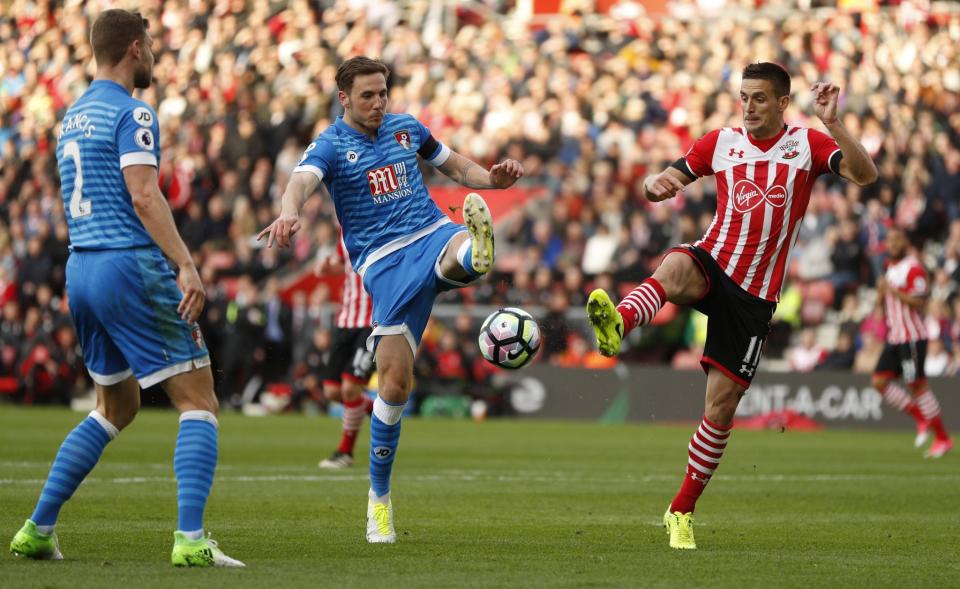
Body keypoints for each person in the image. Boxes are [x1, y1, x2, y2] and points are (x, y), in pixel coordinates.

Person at [586, 63, 878, 550]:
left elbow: (864, 176)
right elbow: (666, 178)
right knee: (675, 265)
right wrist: (655, 182)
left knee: (720, 410)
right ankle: (620, 320)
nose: (748, 106)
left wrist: (834, 122)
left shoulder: (806, 144)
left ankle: (680, 511)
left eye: (760, 98)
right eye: (744, 96)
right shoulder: (719, 142)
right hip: (714, 261)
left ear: (783, 103)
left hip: (756, 297)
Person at [8, 10, 242, 567]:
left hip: (82, 269)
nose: (157, 54)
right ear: (135, 48)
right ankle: (191, 541)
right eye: (153, 45)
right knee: (199, 400)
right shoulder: (133, 111)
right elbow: (143, 194)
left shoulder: (72, 115)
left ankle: (38, 528)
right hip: (128, 264)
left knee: (117, 404)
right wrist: (184, 262)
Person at [258, 56, 523, 543]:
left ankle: (472, 252)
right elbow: (300, 181)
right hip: (382, 265)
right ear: (344, 98)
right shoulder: (332, 144)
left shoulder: (406, 128)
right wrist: (288, 212)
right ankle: (378, 501)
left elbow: (456, 164)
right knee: (395, 386)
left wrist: (492, 180)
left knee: (457, 250)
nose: (379, 102)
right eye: (367, 95)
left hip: (430, 232)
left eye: (383, 92)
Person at [872, 226, 952, 458]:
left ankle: (943, 439)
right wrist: (880, 295)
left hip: (912, 337)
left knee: (918, 386)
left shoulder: (913, 268)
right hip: (895, 337)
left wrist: (893, 291)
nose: (893, 244)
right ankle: (920, 417)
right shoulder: (890, 269)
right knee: (879, 381)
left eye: (898, 239)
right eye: (890, 240)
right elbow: (883, 306)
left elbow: (919, 302)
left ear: (906, 242)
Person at [316, 232, 376, 469]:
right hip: (345, 320)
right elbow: (341, 264)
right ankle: (372, 408)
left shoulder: (382, 225)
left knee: (350, 388)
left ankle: (345, 453)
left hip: (371, 321)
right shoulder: (344, 233)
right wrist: (327, 267)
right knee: (332, 391)